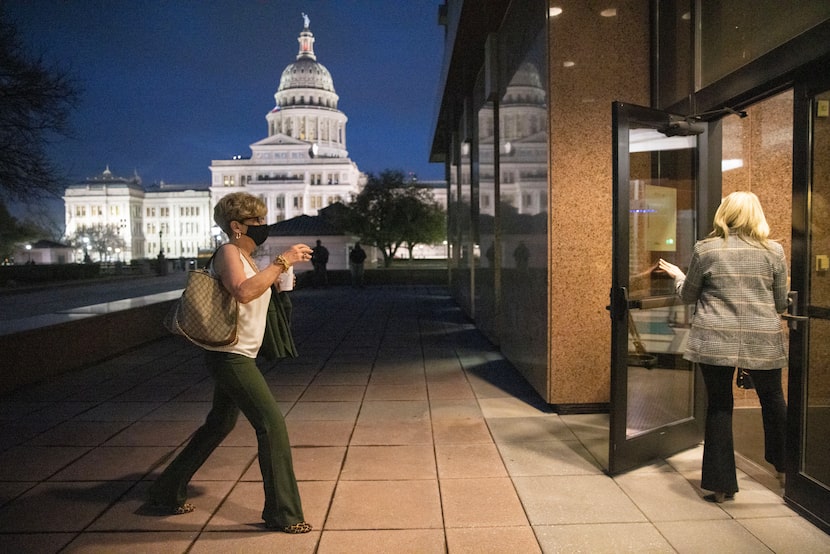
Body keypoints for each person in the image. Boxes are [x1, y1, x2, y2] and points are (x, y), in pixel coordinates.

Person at [147, 192, 315, 533]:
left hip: (239, 353)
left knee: (219, 424)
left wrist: (282, 281)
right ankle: (283, 513)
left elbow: (259, 300)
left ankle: (166, 491)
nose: (264, 227)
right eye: (257, 222)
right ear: (237, 226)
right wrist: (281, 261)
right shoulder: (228, 253)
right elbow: (242, 292)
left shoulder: (249, 259)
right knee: (272, 426)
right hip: (230, 357)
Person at [658, 191, 788, 504]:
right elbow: (781, 302)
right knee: (772, 399)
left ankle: (720, 485)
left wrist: (678, 276)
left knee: (719, 405)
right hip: (763, 337)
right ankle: (787, 469)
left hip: (715, 338)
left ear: (724, 214)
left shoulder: (707, 248)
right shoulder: (774, 251)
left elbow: (688, 295)